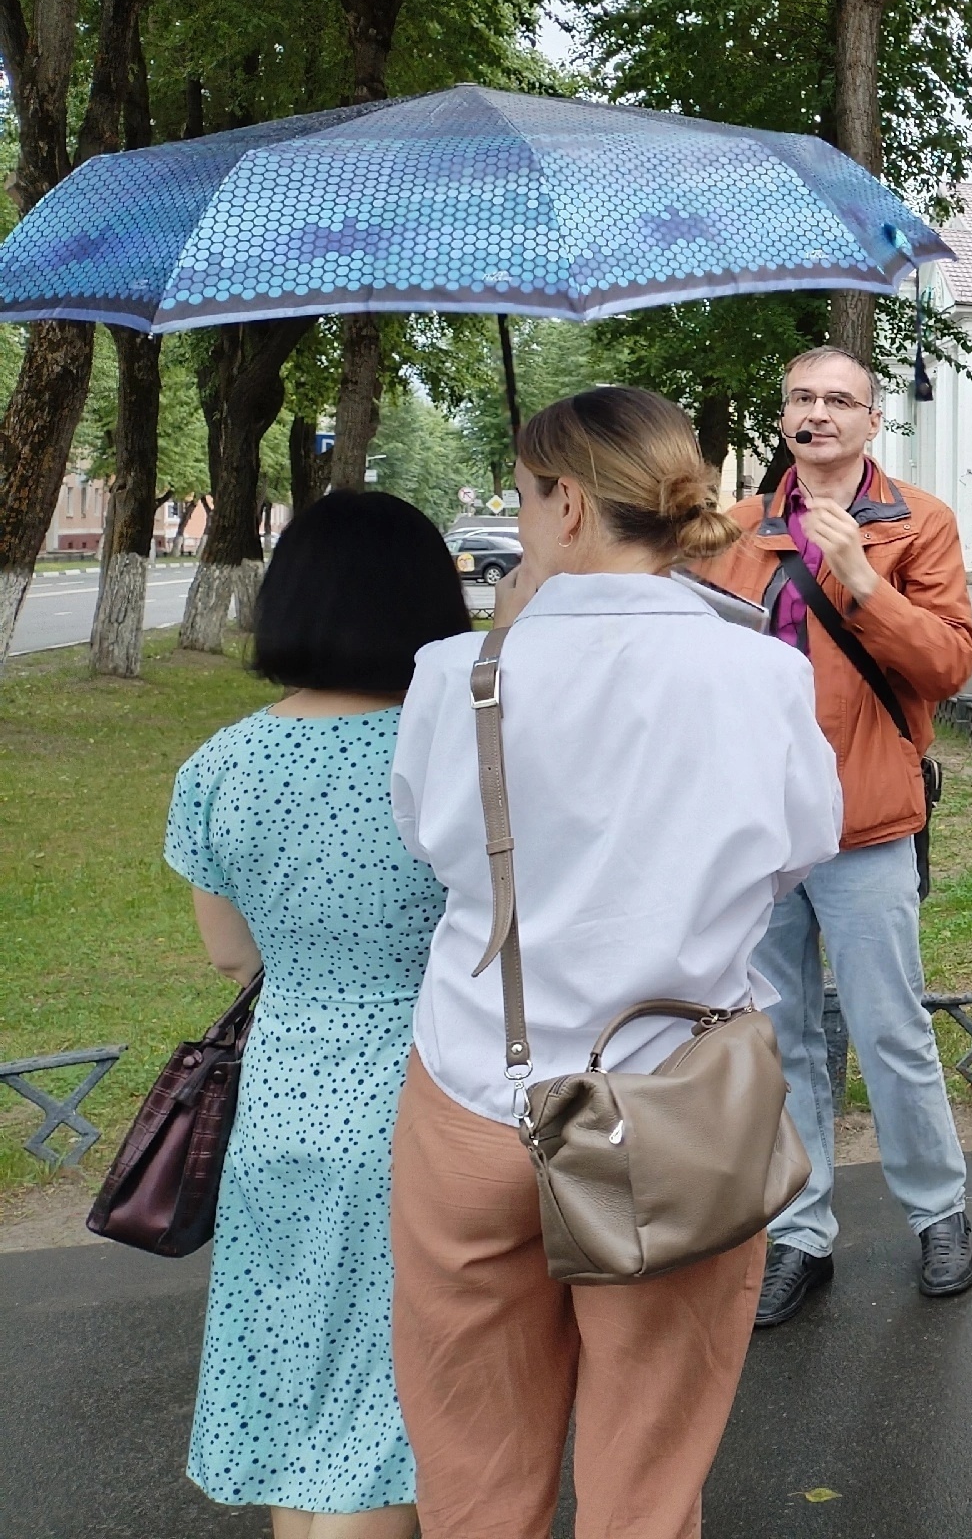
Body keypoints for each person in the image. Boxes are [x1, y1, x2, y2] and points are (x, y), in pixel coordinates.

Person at [387, 387, 842, 1539]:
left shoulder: (459, 675)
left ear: (571, 502)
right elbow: (802, 849)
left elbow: (433, 845)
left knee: (474, 1476)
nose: (520, 518)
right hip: (676, 1101)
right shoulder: (760, 670)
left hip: (476, 1085)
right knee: (647, 1479)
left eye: (527, 495)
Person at [167, 492, 469, 1539]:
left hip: (281, 1096)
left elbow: (227, 951)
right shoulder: (451, 755)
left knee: (298, 1394)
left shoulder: (219, 764)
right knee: (385, 1416)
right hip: (425, 1097)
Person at [694, 344, 972, 1326]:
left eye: (838, 401)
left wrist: (862, 576)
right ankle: (801, 1230)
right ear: (784, 417)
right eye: (802, 399)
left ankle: (937, 1211)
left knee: (886, 1025)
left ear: (870, 423)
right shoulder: (732, 531)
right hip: (757, 835)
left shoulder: (917, 525)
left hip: (863, 820)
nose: (817, 414)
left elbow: (946, 666)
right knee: (780, 1039)